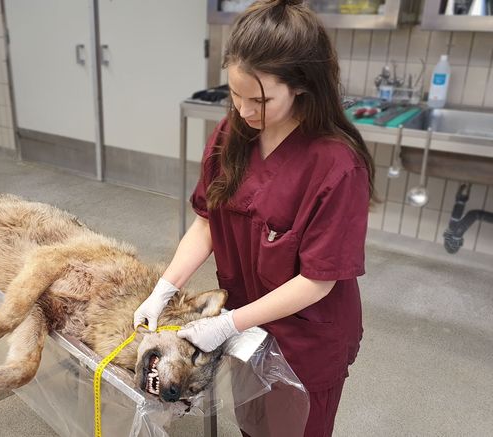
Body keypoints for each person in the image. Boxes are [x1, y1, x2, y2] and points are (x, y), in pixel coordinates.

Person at [133, 0, 375, 435]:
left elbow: (318, 280)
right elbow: (208, 221)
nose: (244, 111)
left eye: (260, 99)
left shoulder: (337, 165)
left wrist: (226, 323)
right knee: (252, 423)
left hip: (305, 335)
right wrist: (165, 289)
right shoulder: (234, 133)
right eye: (235, 95)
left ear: (301, 86)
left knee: (291, 427)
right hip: (247, 322)